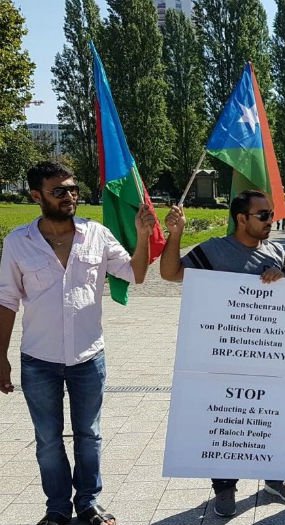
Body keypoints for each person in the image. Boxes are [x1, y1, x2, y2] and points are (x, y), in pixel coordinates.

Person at [0, 161, 156, 525]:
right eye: (59, 191)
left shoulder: (96, 235)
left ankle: (89, 504)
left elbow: (136, 274)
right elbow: (6, 300)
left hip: (88, 356)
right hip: (39, 359)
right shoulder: (18, 243)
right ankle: (56, 510)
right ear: (36, 195)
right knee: (48, 441)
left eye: (73, 189)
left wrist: (143, 236)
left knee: (89, 435)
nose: (70, 196)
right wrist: (0, 357)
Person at [159, 190, 285, 517]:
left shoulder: (277, 252)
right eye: (263, 215)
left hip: (268, 356)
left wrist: (282, 280)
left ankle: (275, 478)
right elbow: (170, 273)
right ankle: (224, 487)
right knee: (226, 422)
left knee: (269, 420)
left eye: (271, 214)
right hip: (223, 356)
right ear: (241, 219)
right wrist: (176, 234)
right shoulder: (214, 251)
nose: (271, 220)